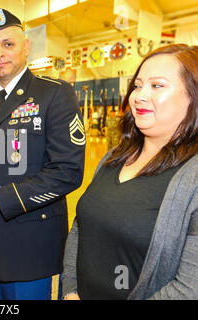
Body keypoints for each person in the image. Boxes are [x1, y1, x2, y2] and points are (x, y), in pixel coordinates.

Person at [0, 8, 85, 300]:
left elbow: (68, 171)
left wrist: (0, 198)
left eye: (8, 44)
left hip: (32, 247)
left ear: (26, 46)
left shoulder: (54, 94)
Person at [62, 44, 198, 300]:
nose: (139, 96)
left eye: (157, 86)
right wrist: (70, 291)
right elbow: (80, 228)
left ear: (193, 96)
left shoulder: (192, 181)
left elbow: (190, 289)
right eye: (137, 86)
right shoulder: (112, 159)